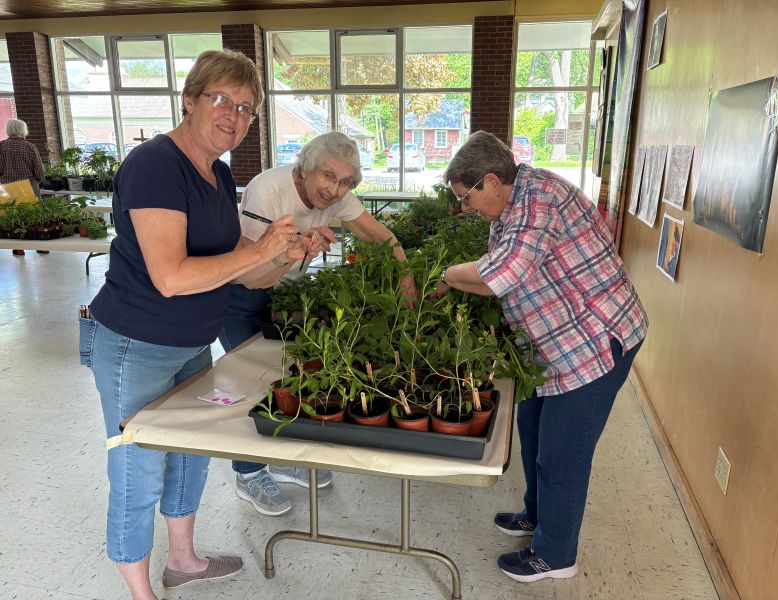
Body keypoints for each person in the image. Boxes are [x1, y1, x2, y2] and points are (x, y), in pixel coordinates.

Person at [79, 49, 308, 600]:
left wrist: (287, 254)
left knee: (190, 456)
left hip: (189, 346)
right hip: (135, 344)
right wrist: (265, 250)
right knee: (138, 468)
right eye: (221, 99)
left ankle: (183, 559)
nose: (233, 115)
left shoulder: (218, 172)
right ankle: (141, 592)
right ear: (189, 100)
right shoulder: (156, 164)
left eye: (247, 108)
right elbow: (171, 278)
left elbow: (242, 268)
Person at [437, 131, 648, 584]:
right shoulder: (512, 203)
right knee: (531, 430)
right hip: (551, 346)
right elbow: (503, 269)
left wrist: (445, 275)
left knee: (562, 454)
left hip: (593, 343)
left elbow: (502, 274)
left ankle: (555, 555)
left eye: (466, 197)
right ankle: (537, 515)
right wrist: (458, 283)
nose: (466, 208)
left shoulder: (540, 200)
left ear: (491, 181)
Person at [218, 131, 417, 516]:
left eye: (345, 182)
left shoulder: (339, 196)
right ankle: (249, 472)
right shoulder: (268, 191)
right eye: (328, 176)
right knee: (251, 383)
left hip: (287, 296)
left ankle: (277, 457)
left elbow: (382, 237)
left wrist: (405, 275)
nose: (335, 189)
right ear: (305, 168)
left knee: (288, 377)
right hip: (242, 295)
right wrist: (295, 248)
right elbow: (251, 271)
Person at [0, 118, 45, 256]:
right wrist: (40, 180)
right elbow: (39, 170)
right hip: (29, 185)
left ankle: (18, 246)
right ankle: (40, 245)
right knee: (35, 215)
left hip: (7, 187)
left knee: (13, 216)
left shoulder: (0, 146)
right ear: (22, 130)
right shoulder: (29, 147)